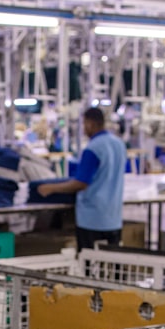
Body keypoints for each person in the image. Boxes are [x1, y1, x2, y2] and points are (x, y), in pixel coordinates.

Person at [35, 107, 127, 251]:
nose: (83, 129)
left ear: (90, 124)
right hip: (114, 217)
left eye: (84, 124)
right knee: (112, 266)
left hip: (92, 219)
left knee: (88, 264)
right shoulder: (119, 145)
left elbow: (81, 183)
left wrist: (51, 188)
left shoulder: (93, 148)